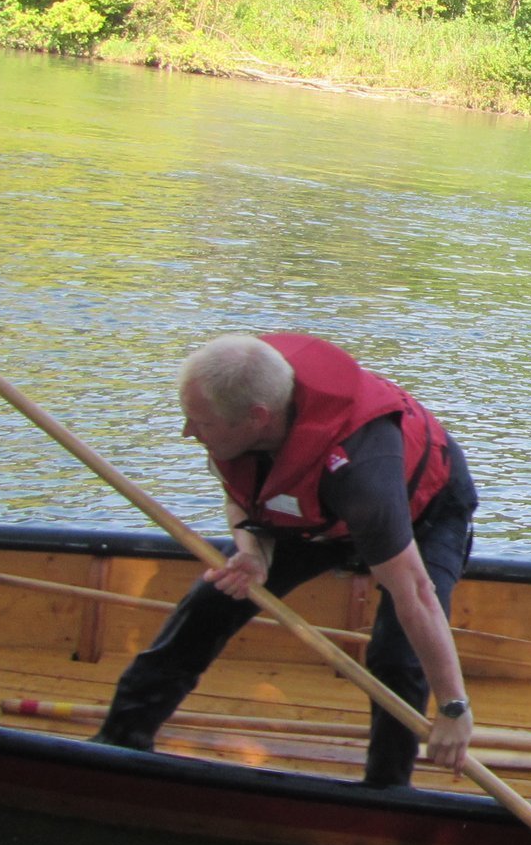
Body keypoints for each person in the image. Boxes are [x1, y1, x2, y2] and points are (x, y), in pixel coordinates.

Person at [93, 333, 479, 787]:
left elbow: (415, 593)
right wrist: (252, 551)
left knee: (396, 655)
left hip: (423, 511)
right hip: (314, 510)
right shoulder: (241, 393)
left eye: (202, 423)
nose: (188, 432)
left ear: (258, 418)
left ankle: (387, 789)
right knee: (212, 602)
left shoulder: (363, 478)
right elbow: (241, 491)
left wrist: (454, 707)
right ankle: (119, 741)